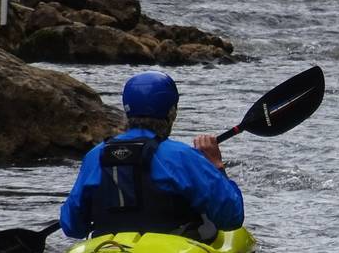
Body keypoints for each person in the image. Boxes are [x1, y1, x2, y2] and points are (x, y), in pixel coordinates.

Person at [60, 71, 244, 243]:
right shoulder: (183, 156)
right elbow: (231, 217)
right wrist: (216, 165)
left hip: (108, 248)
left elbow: (72, 227)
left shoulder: (95, 155)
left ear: (127, 111)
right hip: (171, 251)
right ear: (171, 113)